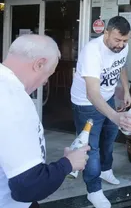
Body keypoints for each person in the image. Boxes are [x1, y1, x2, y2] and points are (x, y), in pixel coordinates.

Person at [0, 34, 90, 208]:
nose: (45, 81)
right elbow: (27, 187)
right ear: (39, 64)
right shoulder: (13, 101)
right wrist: (68, 163)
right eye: (48, 73)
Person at [70, 16, 131, 208]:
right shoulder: (92, 51)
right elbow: (92, 93)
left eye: (125, 41)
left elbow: (121, 66)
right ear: (105, 32)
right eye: (117, 40)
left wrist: (125, 90)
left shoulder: (123, 46)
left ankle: (106, 170)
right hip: (85, 103)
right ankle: (94, 190)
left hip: (107, 97)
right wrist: (115, 116)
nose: (121, 45)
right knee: (92, 148)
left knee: (109, 137)